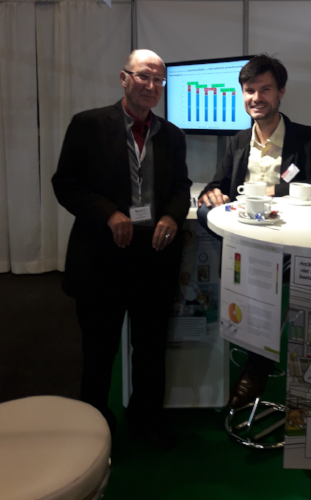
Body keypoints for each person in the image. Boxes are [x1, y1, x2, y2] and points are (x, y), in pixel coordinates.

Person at [197, 54, 311, 409]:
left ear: (281, 91)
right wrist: (213, 193)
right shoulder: (238, 142)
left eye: (265, 89)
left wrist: (277, 191)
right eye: (249, 90)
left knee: (261, 280)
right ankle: (254, 349)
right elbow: (217, 184)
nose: (256, 98)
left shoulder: (307, 139)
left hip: (292, 245)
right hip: (246, 242)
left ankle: (258, 363)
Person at [52, 49, 191, 449]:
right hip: (103, 255)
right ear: (124, 78)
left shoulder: (172, 135)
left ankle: (146, 421)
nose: (152, 86)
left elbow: (181, 187)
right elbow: (66, 184)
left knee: (150, 349)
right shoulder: (89, 125)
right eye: (144, 76)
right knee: (99, 351)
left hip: (154, 258)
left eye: (159, 80)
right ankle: (94, 426)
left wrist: (172, 216)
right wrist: (109, 213)